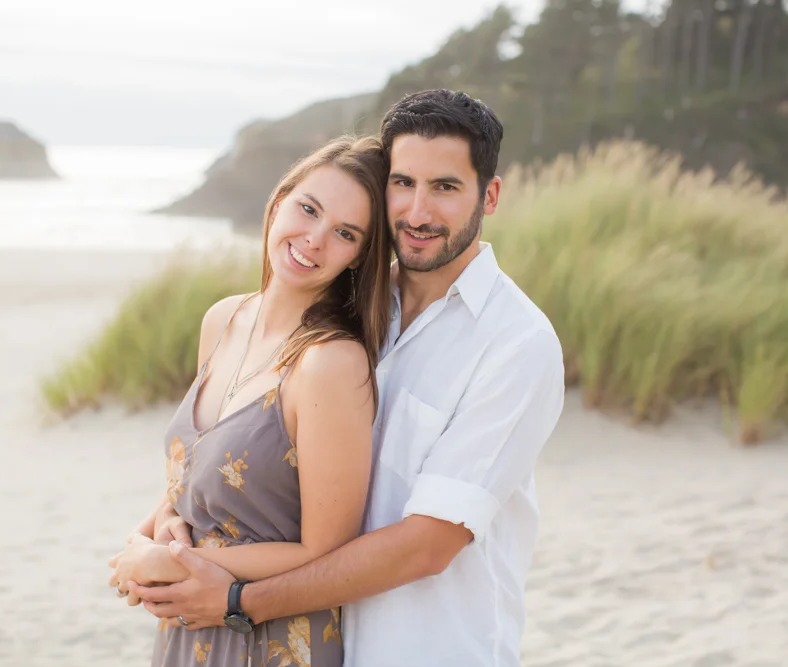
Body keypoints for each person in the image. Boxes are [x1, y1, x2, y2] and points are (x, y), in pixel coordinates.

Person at [125, 89, 566, 667]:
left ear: (491, 195)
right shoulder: (349, 311)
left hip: (427, 649)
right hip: (324, 638)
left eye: (447, 187)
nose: (418, 211)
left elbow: (427, 545)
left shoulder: (517, 344)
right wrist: (161, 535)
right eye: (403, 183)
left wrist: (237, 599)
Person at [108, 135, 394, 666]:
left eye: (345, 233)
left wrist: (175, 561)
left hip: (269, 637)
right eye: (308, 209)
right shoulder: (222, 319)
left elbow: (324, 550)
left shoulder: (330, 362)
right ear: (278, 200)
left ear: (359, 257)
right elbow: (200, 474)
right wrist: (151, 533)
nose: (313, 239)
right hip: (188, 626)